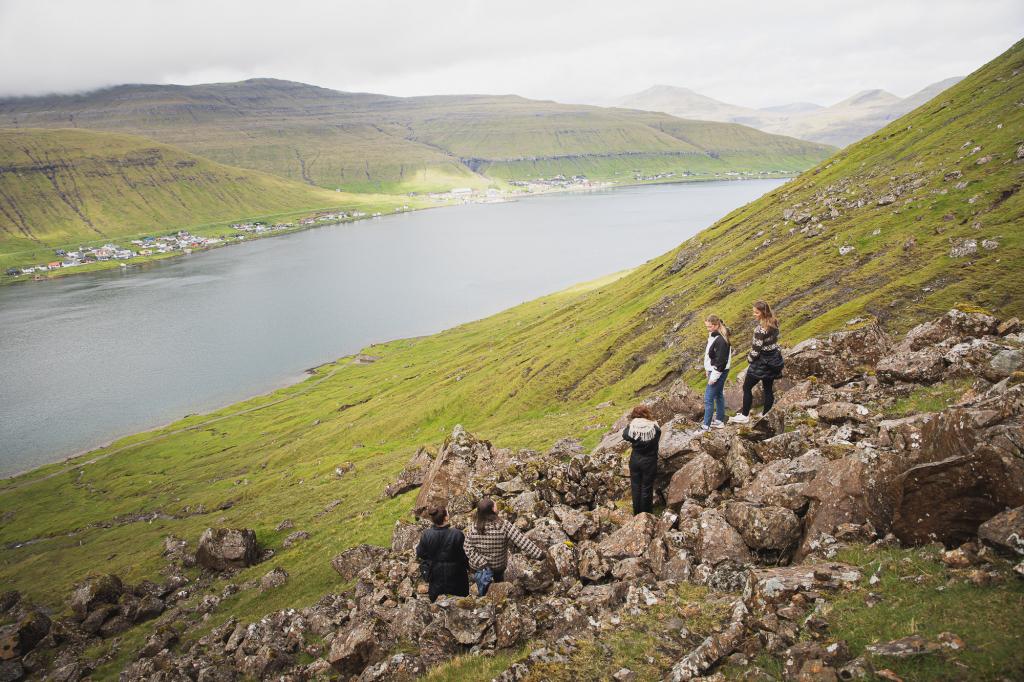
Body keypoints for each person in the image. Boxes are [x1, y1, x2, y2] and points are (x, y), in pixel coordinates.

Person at [464, 498, 544, 595]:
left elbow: (467, 547)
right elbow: (522, 541)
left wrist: (482, 563)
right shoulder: (503, 525)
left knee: (481, 587)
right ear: (492, 510)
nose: (496, 505)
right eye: (495, 504)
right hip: (498, 565)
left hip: (478, 567)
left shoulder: (474, 527)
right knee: (499, 587)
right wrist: (540, 555)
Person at [729, 300, 784, 424]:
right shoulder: (774, 322)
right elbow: (773, 342)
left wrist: (749, 359)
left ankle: (744, 415)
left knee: (747, 387)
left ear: (763, 313)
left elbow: (756, 350)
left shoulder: (760, 330)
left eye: (756, 312)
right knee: (768, 388)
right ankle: (766, 414)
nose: (754, 314)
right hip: (773, 359)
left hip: (761, 361)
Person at [415, 505, 470, 601]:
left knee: (437, 605)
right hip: (457, 575)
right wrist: (469, 568)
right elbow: (464, 555)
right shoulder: (457, 534)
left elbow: (420, 553)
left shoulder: (426, 535)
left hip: (436, 575)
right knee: (460, 603)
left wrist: (431, 557)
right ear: (446, 517)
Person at [621, 405, 661, 514]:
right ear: (646, 413)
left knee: (635, 487)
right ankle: (646, 514)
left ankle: (636, 513)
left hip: (635, 460)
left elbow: (625, 435)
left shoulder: (633, 427)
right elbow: (657, 436)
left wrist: (632, 426)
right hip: (649, 461)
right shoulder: (654, 428)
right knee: (646, 488)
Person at [702, 315, 731, 432]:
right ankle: (719, 420)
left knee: (708, 398)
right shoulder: (714, 335)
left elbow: (721, 362)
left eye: (709, 326)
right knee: (718, 394)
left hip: (718, 371)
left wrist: (713, 377)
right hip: (713, 369)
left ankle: (705, 426)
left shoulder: (721, 340)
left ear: (715, 325)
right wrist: (707, 368)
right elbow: (710, 354)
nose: (707, 328)